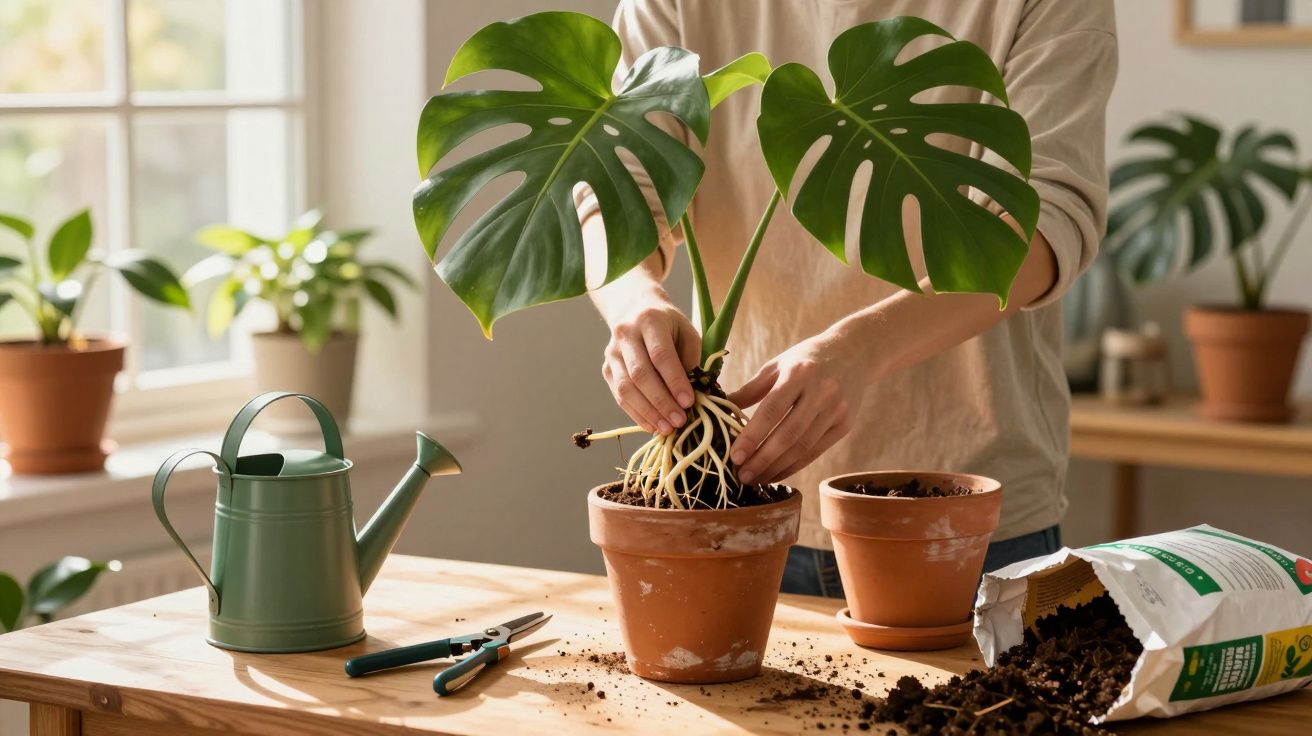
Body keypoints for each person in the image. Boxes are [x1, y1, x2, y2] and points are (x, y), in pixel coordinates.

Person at [577, 0, 1118, 597]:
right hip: (734, 487)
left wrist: (860, 349)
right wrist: (635, 304)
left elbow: (1045, 226)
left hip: (956, 506)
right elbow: (616, 183)